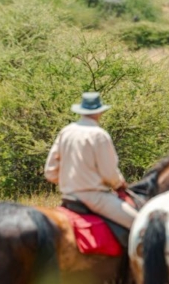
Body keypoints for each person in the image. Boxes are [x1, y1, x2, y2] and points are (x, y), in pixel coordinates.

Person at [44, 92, 137, 229]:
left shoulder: (66, 131)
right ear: (100, 112)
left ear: (81, 111)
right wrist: (119, 184)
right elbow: (108, 173)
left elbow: (50, 172)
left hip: (68, 196)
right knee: (141, 224)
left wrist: (70, 180)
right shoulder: (99, 135)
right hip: (95, 198)